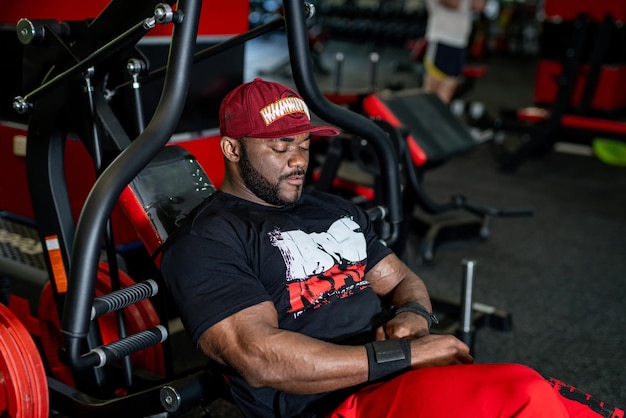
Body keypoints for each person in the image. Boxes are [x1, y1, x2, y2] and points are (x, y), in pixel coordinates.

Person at [160, 78, 623, 418]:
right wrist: (405, 355)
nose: (299, 160)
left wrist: (416, 317)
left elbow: (400, 278)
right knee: (525, 393)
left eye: (304, 145)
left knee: (577, 406)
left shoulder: (329, 205)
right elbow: (259, 356)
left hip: (401, 373)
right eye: (282, 148)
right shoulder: (209, 238)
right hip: (338, 403)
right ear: (231, 150)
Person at [423, 0, 485, 104]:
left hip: (460, 42)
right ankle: (426, 117)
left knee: (449, 87)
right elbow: (453, 4)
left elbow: (480, 5)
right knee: (431, 92)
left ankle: (437, 118)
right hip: (441, 39)